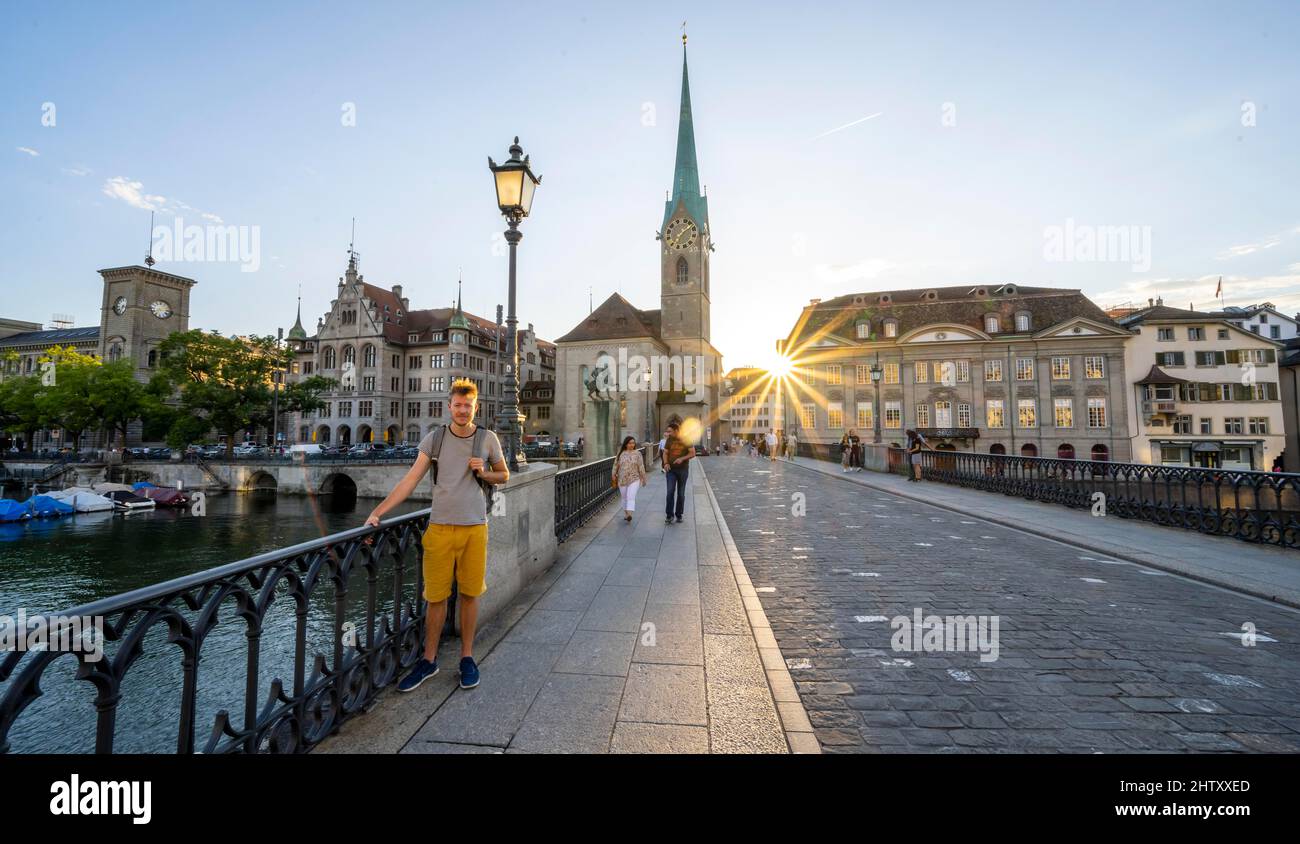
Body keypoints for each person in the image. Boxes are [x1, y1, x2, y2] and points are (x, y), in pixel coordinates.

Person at [366, 379, 509, 693]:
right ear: (449, 406)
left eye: (467, 406)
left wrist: (484, 472)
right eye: (457, 405)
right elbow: (410, 480)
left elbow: (504, 475)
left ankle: (467, 658)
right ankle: (429, 660)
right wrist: (378, 512)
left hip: (475, 527)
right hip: (440, 528)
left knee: (470, 595)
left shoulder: (487, 439)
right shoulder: (435, 439)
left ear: (475, 407)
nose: (462, 410)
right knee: (436, 598)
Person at [661, 421, 696, 524]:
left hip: (683, 470)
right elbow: (665, 453)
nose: (668, 433)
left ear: (676, 431)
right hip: (671, 470)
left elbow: (693, 453)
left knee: (681, 493)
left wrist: (682, 458)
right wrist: (666, 463)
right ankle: (669, 515)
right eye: (667, 431)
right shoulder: (669, 440)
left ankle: (679, 515)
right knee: (670, 492)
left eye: (670, 431)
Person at [612, 435, 647, 522]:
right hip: (622, 479)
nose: (632, 445)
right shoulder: (621, 453)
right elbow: (615, 465)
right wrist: (613, 474)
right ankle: (626, 514)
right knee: (624, 497)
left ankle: (630, 514)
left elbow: (641, 466)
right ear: (626, 444)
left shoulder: (638, 454)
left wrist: (643, 478)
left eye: (633, 443)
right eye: (630, 443)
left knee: (630, 496)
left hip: (634, 478)